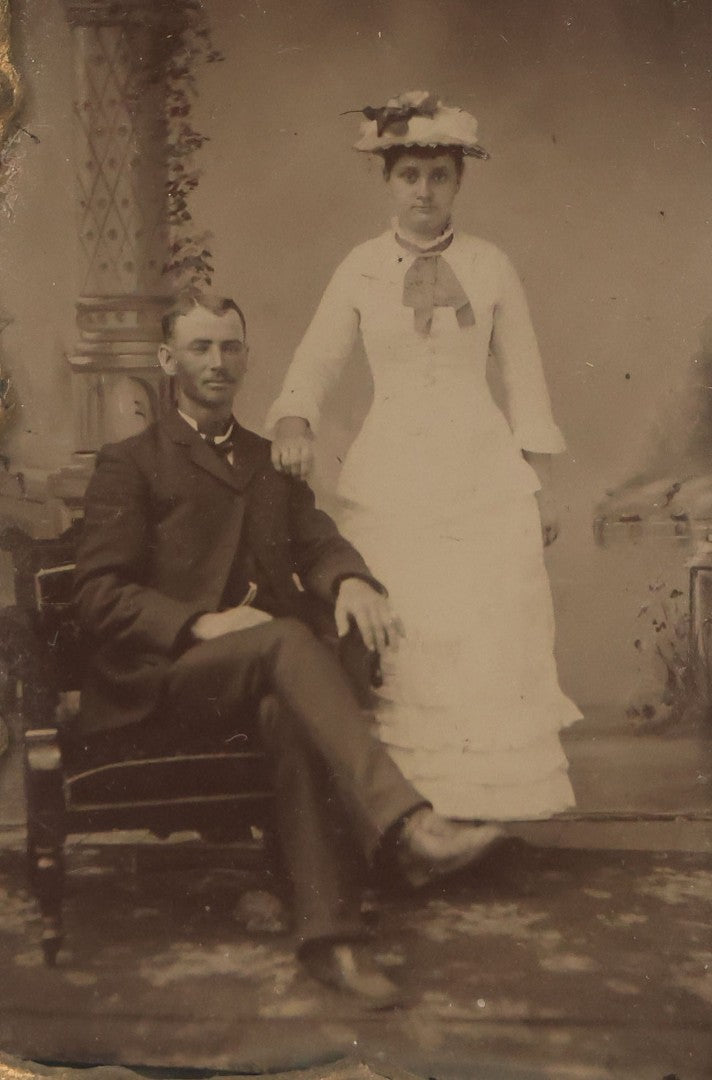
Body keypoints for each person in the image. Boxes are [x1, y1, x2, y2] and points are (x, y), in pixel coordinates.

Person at [72, 290, 503, 1008]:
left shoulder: (267, 460)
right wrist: (199, 624)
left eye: (230, 346)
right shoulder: (131, 463)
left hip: (259, 680)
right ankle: (408, 825)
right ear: (167, 360)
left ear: (246, 356)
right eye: (201, 347)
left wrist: (352, 581)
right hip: (164, 683)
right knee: (288, 641)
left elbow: (318, 541)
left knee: (287, 713)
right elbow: (96, 594)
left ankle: (333, 941)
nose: (218, 361)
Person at [268, 91, 581, 822]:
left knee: (486, 626)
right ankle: (408, 814)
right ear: (387, 180)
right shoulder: (360, 267)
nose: (424, 191)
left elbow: (525, 380)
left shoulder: (491, 265)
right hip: (394, 474)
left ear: (459, 182)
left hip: (483, 473)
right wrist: (294, 419)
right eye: (409, 175)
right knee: (406, 627)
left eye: (439, 175)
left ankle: (486, 808)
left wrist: (539, 484)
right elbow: (315, 363)